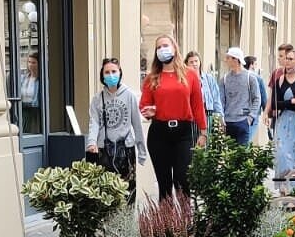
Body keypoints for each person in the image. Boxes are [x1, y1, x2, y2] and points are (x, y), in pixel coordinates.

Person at [140, 34, 207, 199]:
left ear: (174, 48)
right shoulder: (152, 77)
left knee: (183, 178)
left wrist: (203, 131)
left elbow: (198, 105)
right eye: (159, 47)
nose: (162, 50)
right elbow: (144, 104)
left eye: (165, 45)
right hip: (159, 133)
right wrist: (149, 111)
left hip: (183, 132)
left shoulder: (190, 75)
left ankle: (185, 221)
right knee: (164, 184)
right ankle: (166, 223)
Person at [86, 56, 147, 203]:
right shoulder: (97, 99)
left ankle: (126, 225)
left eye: (114, 71)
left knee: (128, 194)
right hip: (103, 151)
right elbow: (94, 122)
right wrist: (91, 142)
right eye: (107, 72)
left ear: (120, 72)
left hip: (125, 150)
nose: (111, 75)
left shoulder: (130, 96)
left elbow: (137, 124)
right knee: (105, 195)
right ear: (102, 75)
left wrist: (142, 152)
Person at [266, 45, 295, 174]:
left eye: (291, 59)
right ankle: (283, 185)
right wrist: (291, 101)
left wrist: (284, 104)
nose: (287, 61)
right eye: (286, 58)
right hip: (284, 122)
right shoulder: (279, 81)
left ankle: (294, 186)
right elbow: (275, 104)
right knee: (282, 154)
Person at [220, 46, 261, 144]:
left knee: (242, 154)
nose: (226, 61)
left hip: (243, 121)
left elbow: (257, 98)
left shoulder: (250, 77)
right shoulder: (224, 79)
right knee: (230, 155)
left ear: (236, 59)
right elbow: (221, 100)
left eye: (228, 58)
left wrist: (250, 118)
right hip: (228, 122)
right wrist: (221, 118)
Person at [186, 52, 223, 133]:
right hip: (191, 115)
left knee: (206, 139)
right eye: (191, 62)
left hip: (207, 113)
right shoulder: (184, 80)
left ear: (200, 62)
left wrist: (220, 117)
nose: (194, 64)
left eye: (196, 61)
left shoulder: (208, 78)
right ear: (187, 64)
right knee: (192, 141)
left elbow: (216, 99)